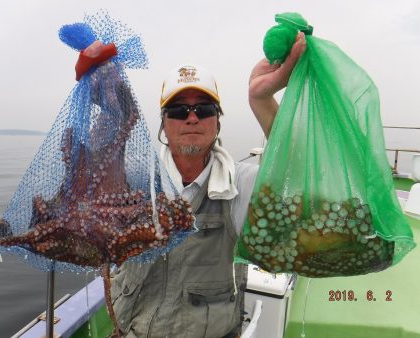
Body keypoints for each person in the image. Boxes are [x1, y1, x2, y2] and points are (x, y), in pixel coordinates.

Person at [111, 33, 306, 338]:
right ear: (164, 123)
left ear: (217, 121)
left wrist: (262, 101)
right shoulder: (135, 182)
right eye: (178, 110)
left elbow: (293, 172)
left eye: (203, 109)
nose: (191, 118)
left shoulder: (238, 184)